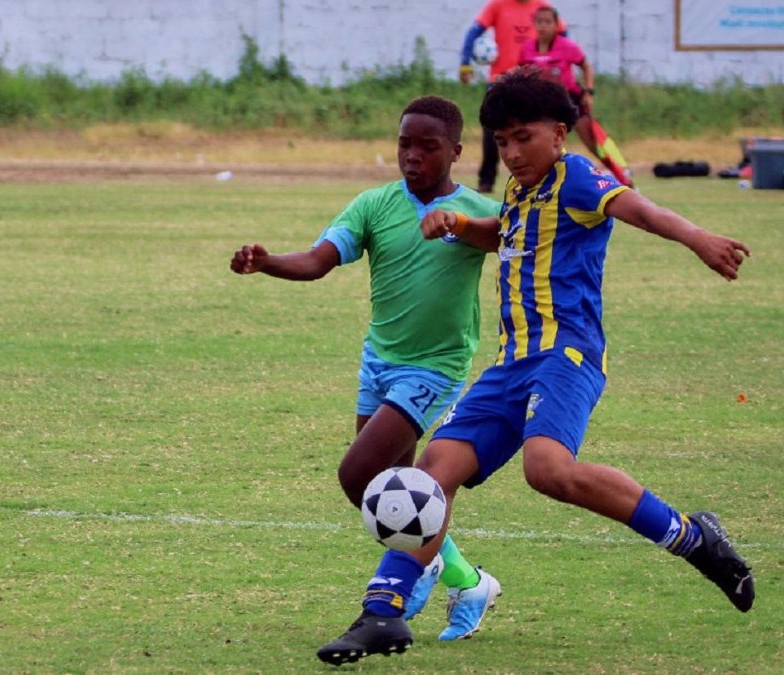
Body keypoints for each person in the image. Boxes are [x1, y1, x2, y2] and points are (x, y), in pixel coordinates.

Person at [316, 69, 756, 667]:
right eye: (501, 142)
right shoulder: (522, 191)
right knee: (431, 473)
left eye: (523, 138)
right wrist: (459, 225)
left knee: (547, 469)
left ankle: (692, 536)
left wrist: (698, 237)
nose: (513, 153)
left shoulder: (575, 175)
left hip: (566, 354)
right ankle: (382, 613)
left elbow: (639, 208)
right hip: (511, 362)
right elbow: (506, 234)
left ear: (559, 132)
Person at [230, 95, 506, 642]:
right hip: (378, 362)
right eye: (405, 144)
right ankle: (466, 579)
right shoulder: (374, 204)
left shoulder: (474, 209)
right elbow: (317, 261)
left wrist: (456, 225)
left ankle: (426, 568)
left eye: (427, 147)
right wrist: (267, 264)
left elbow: (503, 237)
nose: (413, 157)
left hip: (435, 367)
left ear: (454, 151)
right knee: (384, 490)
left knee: (357, 477)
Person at [520, 5, 634, 187]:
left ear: (556, 25)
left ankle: (623, 175)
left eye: (548, 22)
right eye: (539, 22)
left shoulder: (566, 46)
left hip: (570, 100)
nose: (543, 26)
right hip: (543, 104)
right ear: (534, 24)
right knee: (541, 140)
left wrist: (589, 92)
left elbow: (586, 66)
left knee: (592, 140)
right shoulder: (527, 49)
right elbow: (522, 73)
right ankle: (541, 181)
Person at [459, 0, 564, 194]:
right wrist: (465, 63)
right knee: (492, 130)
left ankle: (545, 178)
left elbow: (563, 37)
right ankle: (486, 181)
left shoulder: (541, 7)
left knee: (535, 131)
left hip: (532, 82)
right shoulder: (497, 5)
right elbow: (473, 32)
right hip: (500, 80)